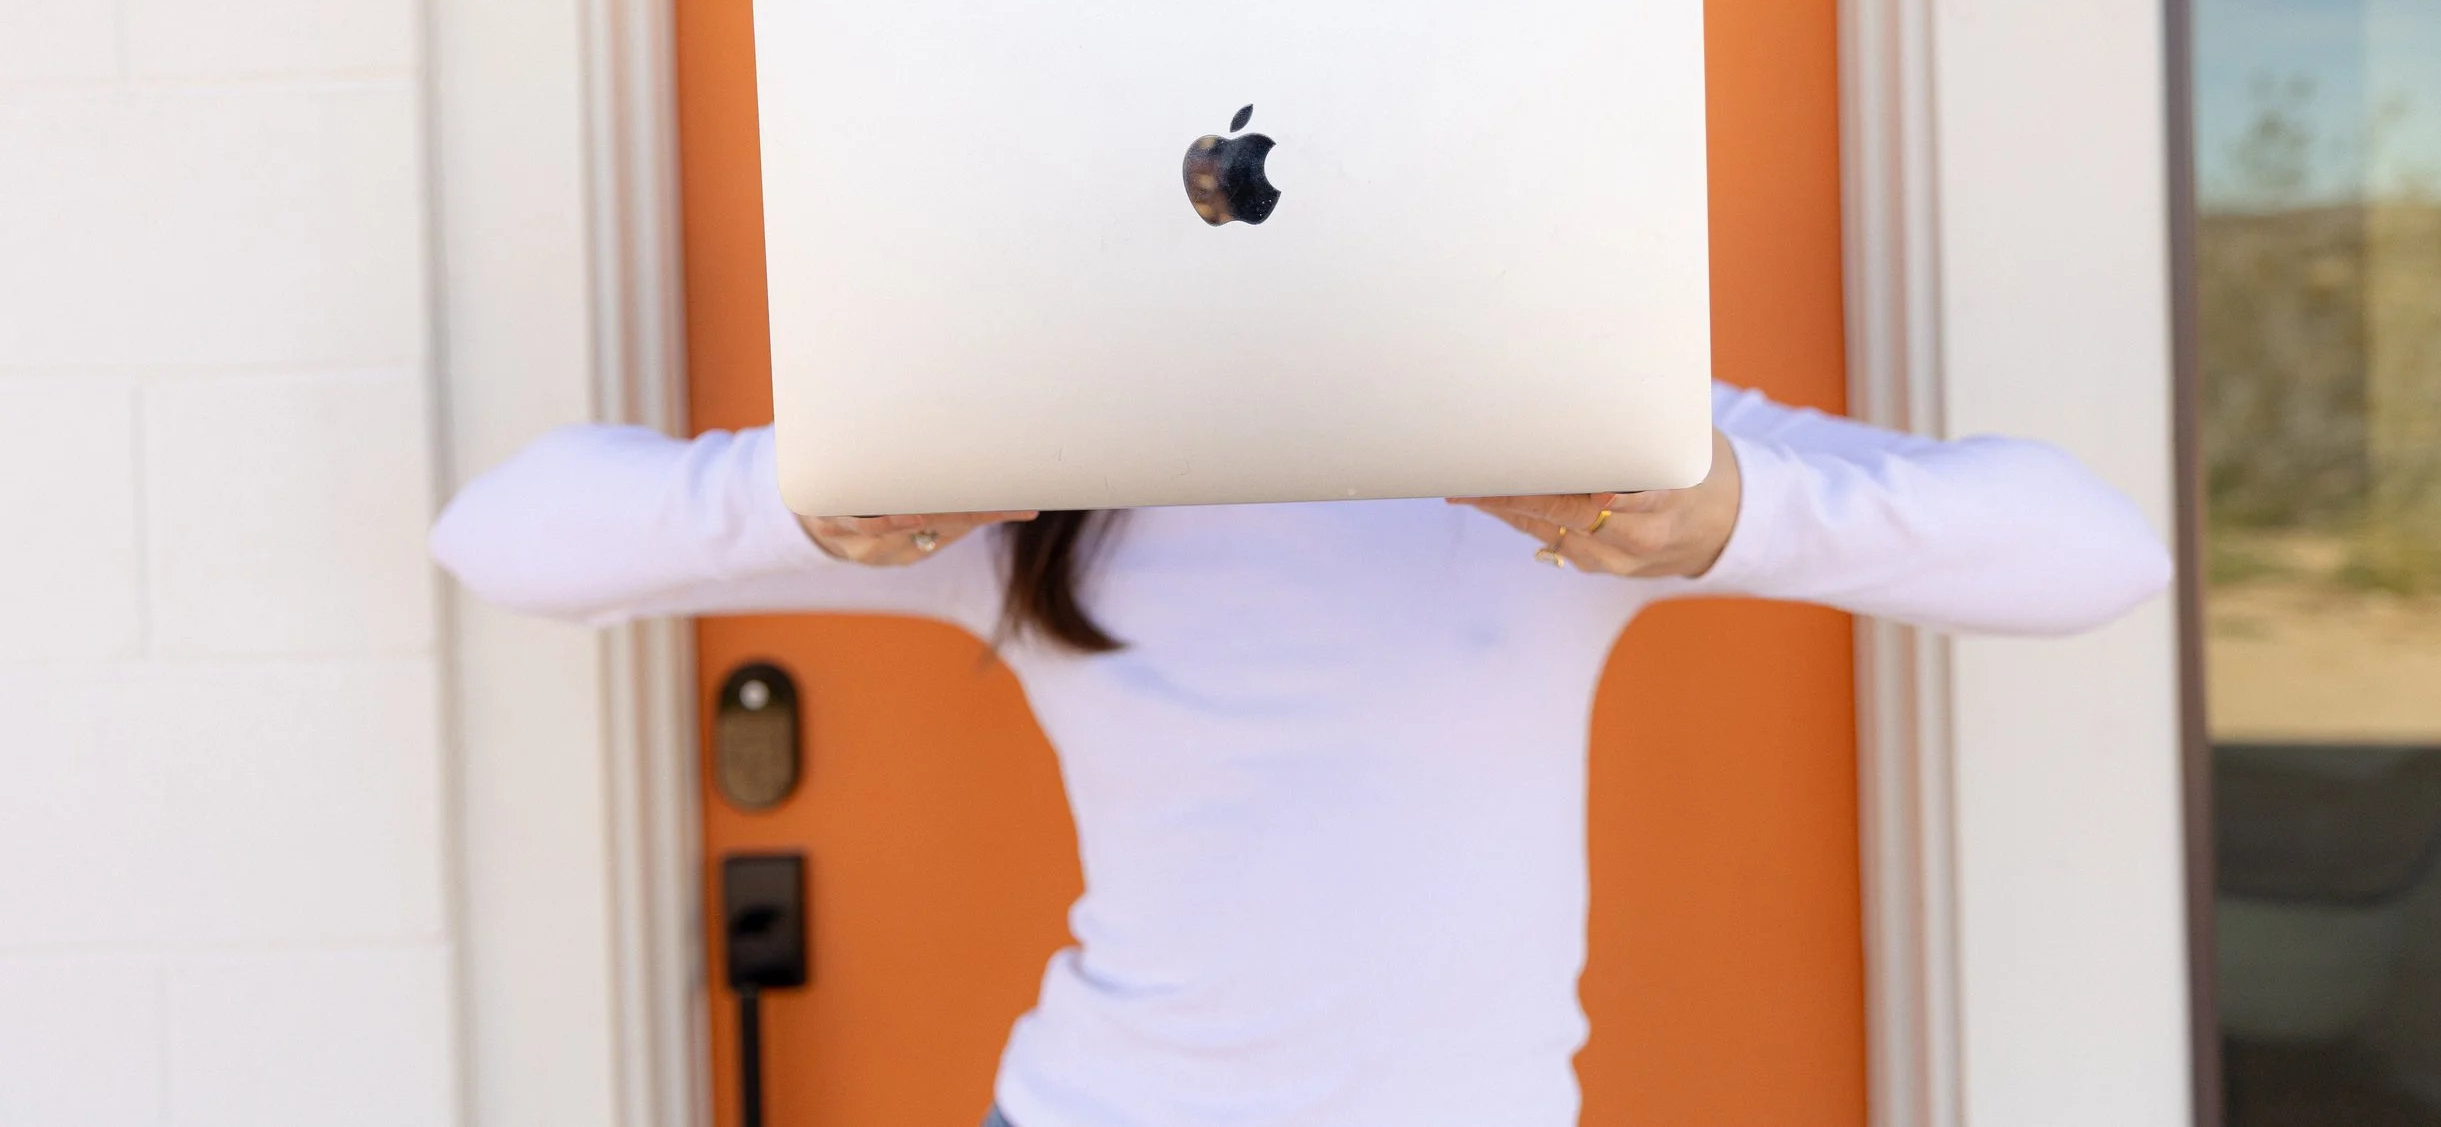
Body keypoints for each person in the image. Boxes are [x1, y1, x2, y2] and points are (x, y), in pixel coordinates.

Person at [431, 380, 2169, 1127]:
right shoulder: (1016, 479)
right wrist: (806, 489)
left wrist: (1731, 512)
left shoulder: (1584, 445)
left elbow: (2098, 551)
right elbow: (501, 536)